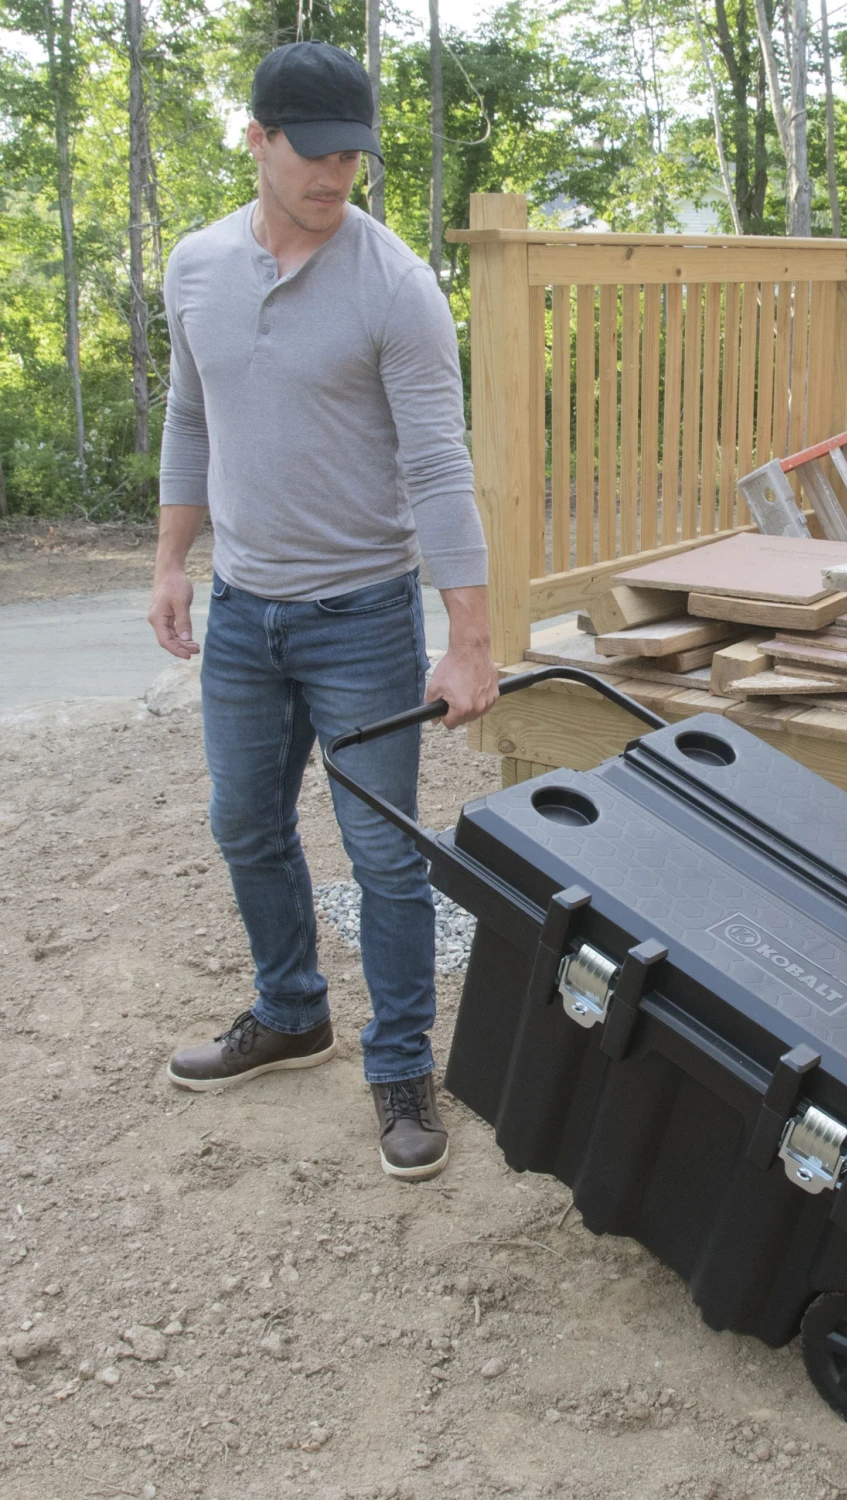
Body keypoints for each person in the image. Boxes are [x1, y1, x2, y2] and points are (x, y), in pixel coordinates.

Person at [147, 40, 497, 1181]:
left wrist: (469, 641)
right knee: (244, 825)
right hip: (244, 614)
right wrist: (169, 565)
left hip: (362, 619)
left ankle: (402, 1065)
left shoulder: (394, 283)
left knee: (384, 861)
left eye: (357, 153)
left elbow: (441, 467)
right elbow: (190, 420)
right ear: (256, 138)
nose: (339, 173)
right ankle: (291, 1011)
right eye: (316, 149)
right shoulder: (195, 266)